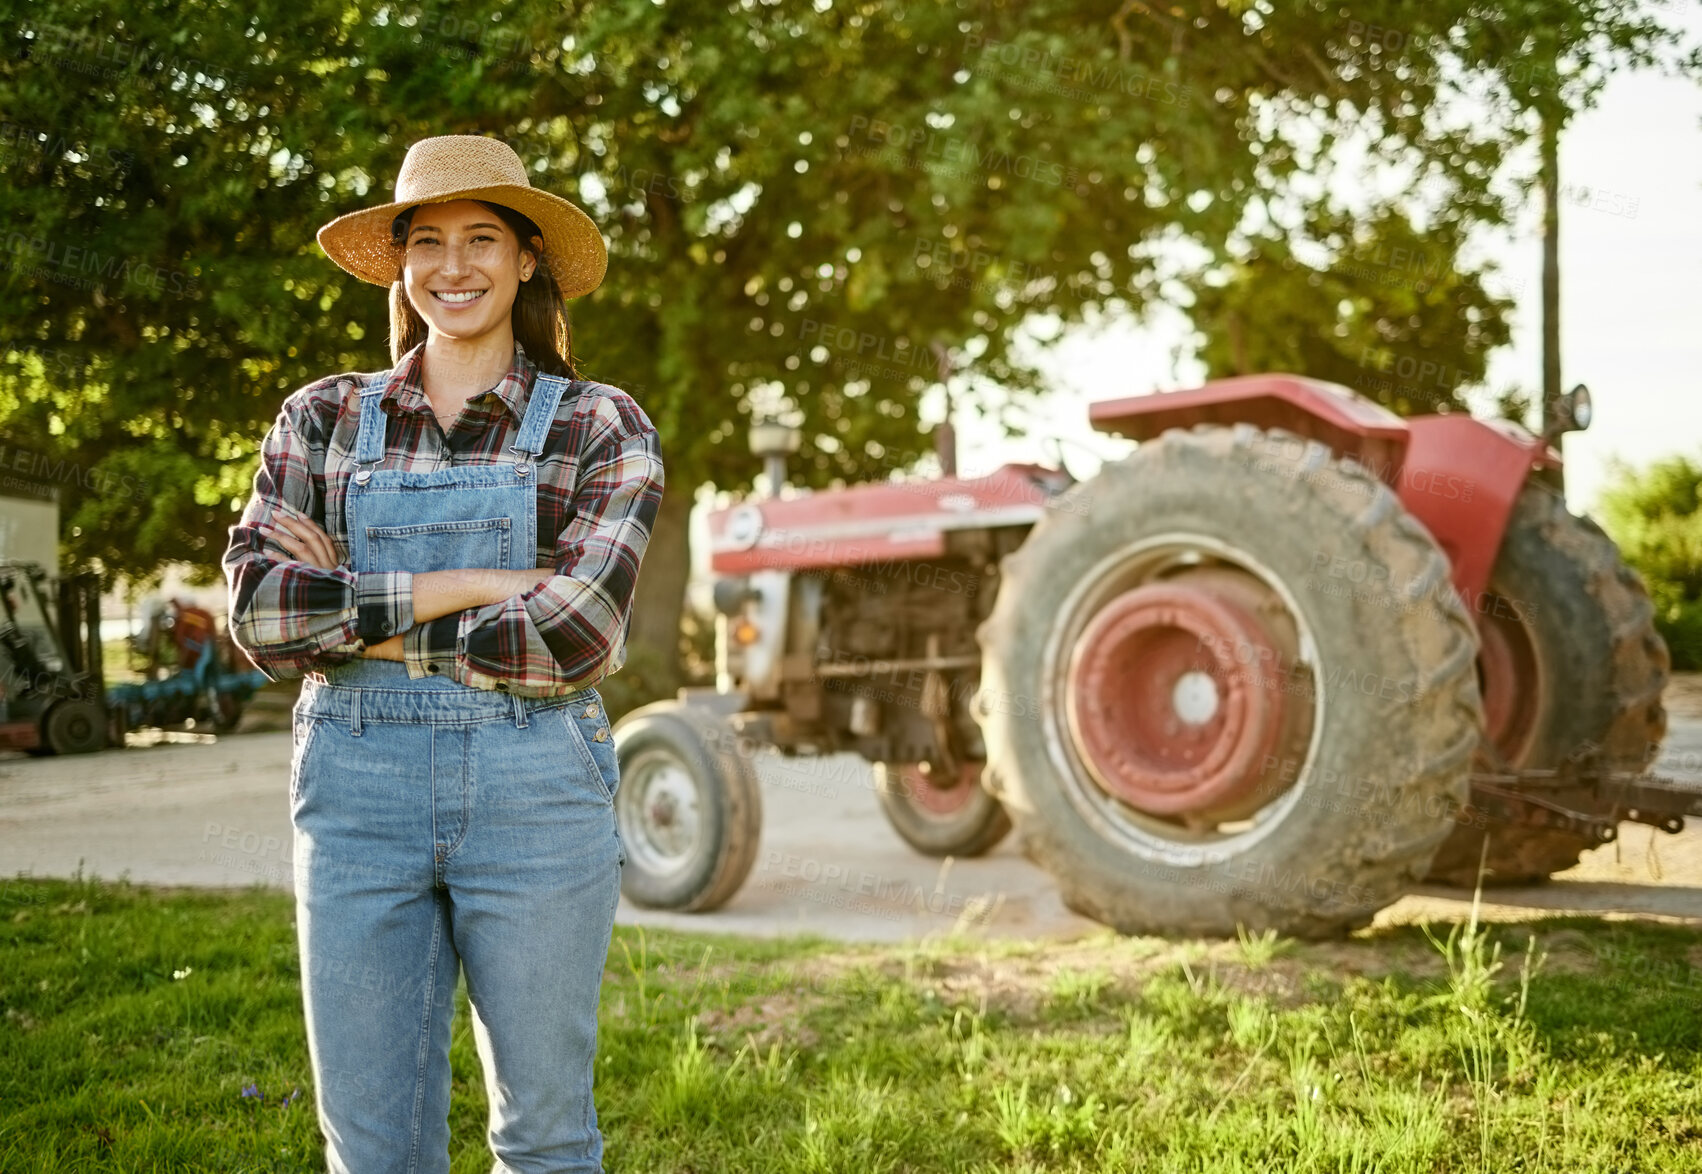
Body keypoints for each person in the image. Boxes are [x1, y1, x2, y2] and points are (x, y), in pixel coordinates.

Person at [222, 134, 664, 1173]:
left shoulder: (600, 425)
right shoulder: (321, 419)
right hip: (355, 786)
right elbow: (262, 615)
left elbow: (575, 631)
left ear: (525, 261)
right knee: (373, 1145)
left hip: (535, 782)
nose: (452, 266)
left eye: (481, 239)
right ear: (402, 263)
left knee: (546, 1133)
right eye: (427, 241)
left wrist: (354, 610)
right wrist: (477, 581)